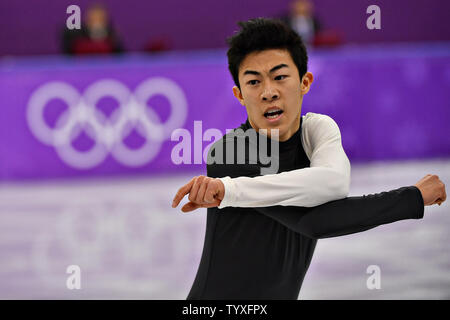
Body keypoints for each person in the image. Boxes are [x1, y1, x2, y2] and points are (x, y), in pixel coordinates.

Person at [171, 18, 446, 299]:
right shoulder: (228, 153)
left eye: (280, 77)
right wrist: (411, 198)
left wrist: (228, 190)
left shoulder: (317, 129)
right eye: (254, 82)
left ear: (305, 82)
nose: (269, 92)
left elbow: (334, 182)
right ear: (239, 95)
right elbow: (316, 221)